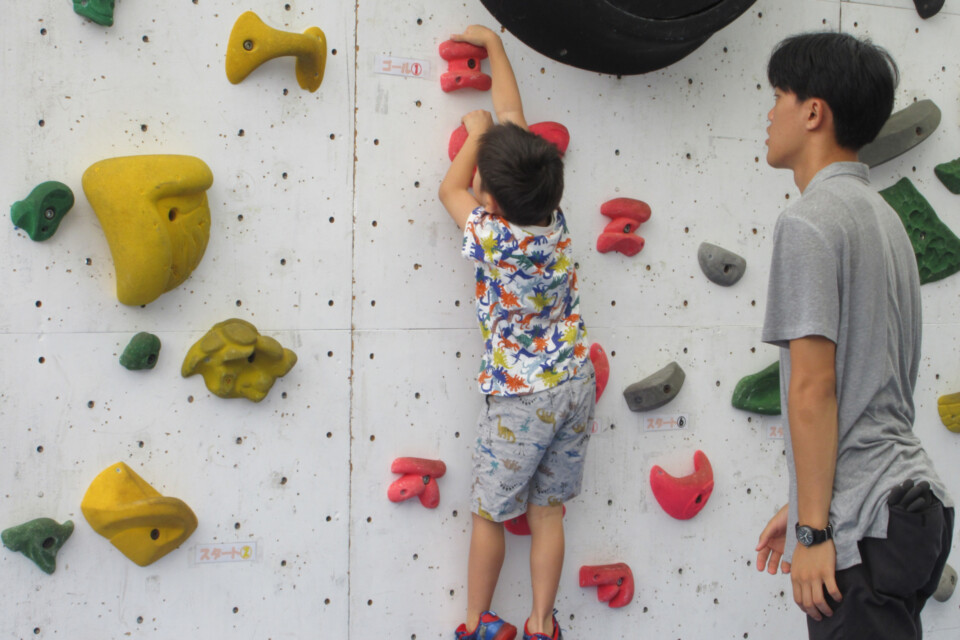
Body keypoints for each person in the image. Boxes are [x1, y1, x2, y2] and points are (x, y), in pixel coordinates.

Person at [753, 32, 953, 639]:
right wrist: (805, 500)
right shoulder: (884, 218)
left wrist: (816, 530)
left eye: (779, 95)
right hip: (913, 505)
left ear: (814, 112)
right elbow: (879, 383)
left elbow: (815, 388)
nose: (769, 113)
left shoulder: (809, 221)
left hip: (865, 524)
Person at [438, 24, 594, 640]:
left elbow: (448, 189)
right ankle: (541, 622)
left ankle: (478, 624)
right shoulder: (551, 216)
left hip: (520, 399)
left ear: (492, 204)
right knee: (548, 512)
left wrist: (474, 138)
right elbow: (514, 117)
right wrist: (497, 49)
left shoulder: (492, 237)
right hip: (574, 384)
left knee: (490, 512)